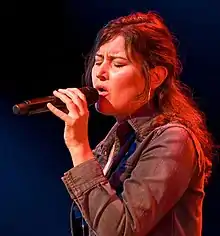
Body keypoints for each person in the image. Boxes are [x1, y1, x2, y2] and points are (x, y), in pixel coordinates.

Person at [47, 11, 214, 236]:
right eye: (98, 61)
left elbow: (119, 230)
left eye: (117, 63)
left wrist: (79, 146)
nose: (100, 73)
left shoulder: (174, 139)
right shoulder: (117, 140)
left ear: (155, 77)